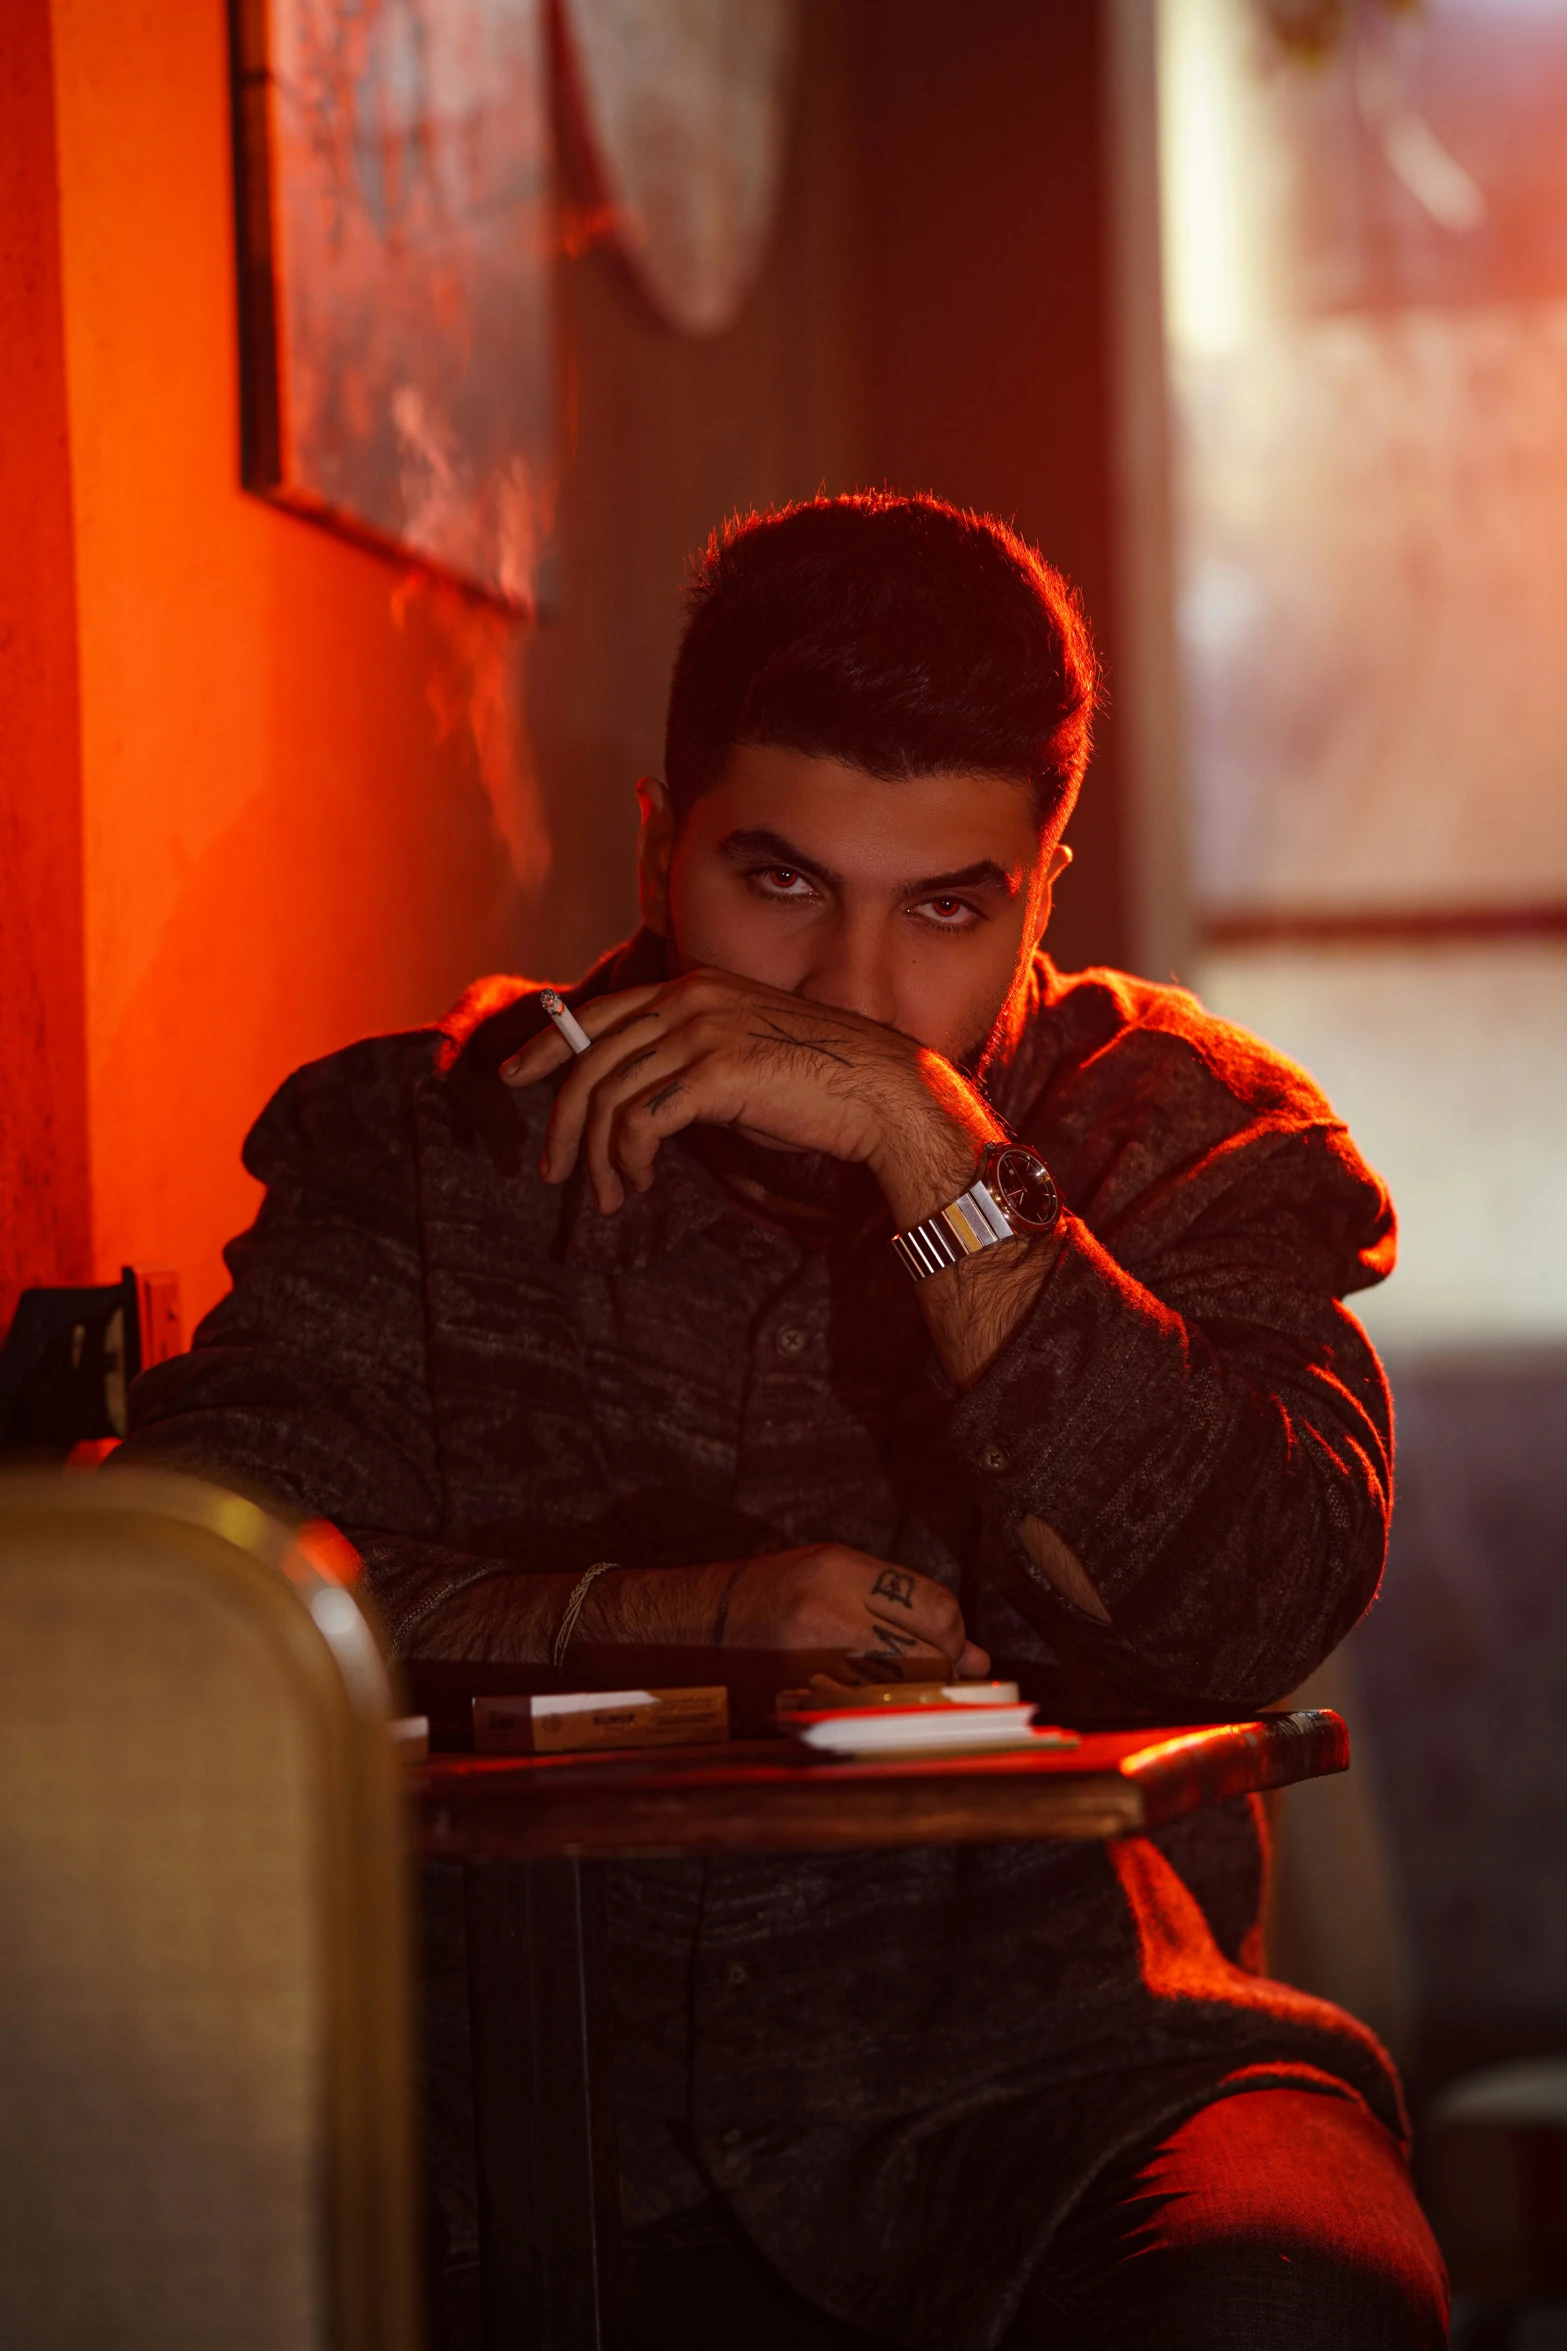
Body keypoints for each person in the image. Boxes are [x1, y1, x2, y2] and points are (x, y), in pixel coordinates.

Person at [119, 494, 1448, 2347]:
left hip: (1054, 2080)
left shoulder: (1182, 1132)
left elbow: (1244, 1601)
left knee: (1295, 2308)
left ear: (1044, 887)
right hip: (493, 2113)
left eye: (947, 907)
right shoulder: (427, 1146)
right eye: (784, 881)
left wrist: (927, 1145)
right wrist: (680, 1618)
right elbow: (182, 1607)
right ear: (661, 846)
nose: (849, 991)